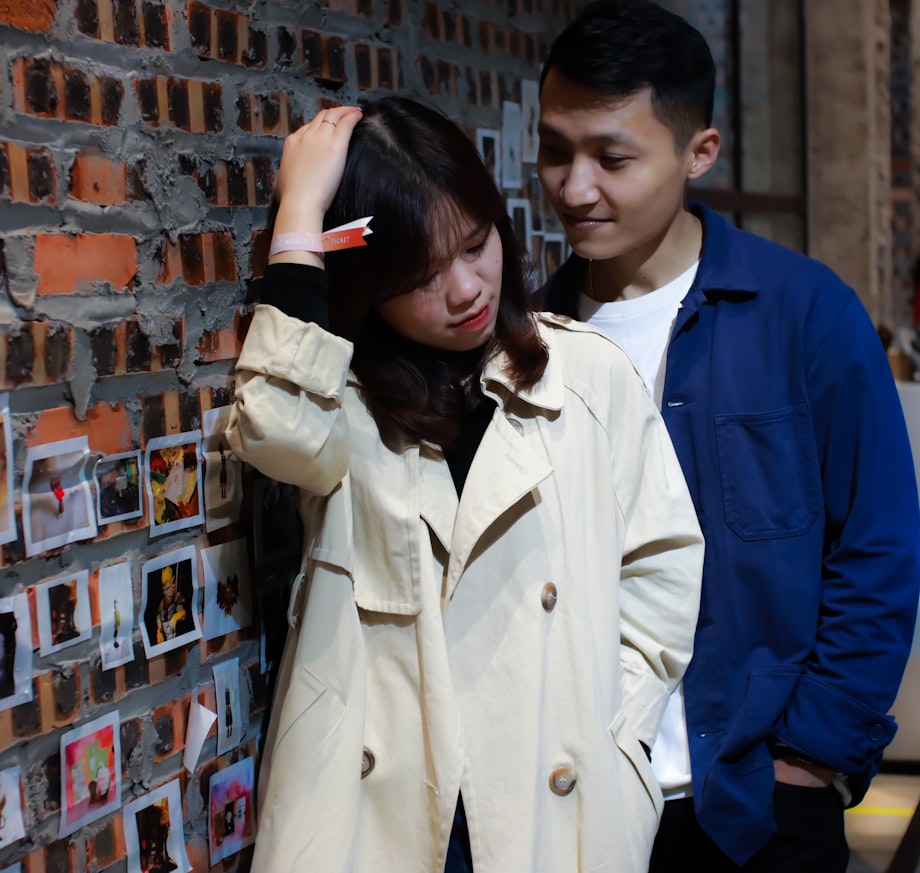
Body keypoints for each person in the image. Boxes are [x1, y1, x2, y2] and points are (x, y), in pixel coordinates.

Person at [227, 95, 705, 872]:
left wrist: (618, 733)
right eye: (422, 275)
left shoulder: (584, 374)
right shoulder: (341, 398)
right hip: (390, 814)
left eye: (477, 244)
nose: (466, 289)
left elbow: (664, 564)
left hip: (550, 797)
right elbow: (275, 426)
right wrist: (301, 217)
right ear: (368, 283)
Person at [536, 2, 920, 871]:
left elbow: (878, 547)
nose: (573, 186)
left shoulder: (803, 313)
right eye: (555, 149)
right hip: (583, 798)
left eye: (612, 156)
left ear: (697, 153)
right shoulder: (533, 335)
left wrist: (812, 756)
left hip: (756, 801)